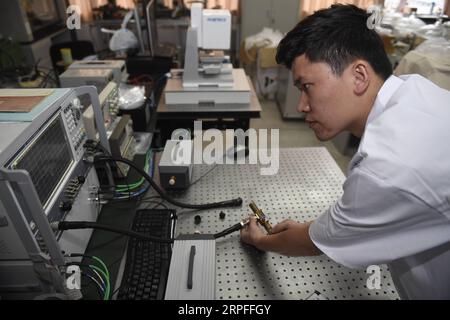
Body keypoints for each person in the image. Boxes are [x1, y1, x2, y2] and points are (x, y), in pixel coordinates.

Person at [240, 4, 450, 300]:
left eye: (307, 86)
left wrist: (261, 241)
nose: (301, 106)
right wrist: (304, 228)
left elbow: (315, 242)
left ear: (359, 76)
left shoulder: (387, 165)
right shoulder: (413, 90)